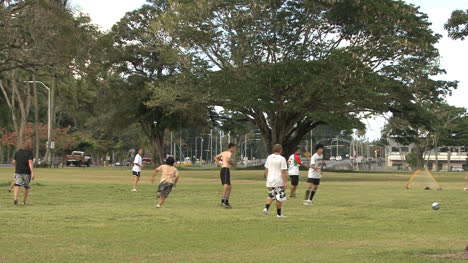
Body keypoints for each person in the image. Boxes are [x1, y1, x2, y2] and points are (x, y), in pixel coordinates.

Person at [263, 144, 288, 218]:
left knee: (271, 195)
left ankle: (266, 208)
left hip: (270, 180)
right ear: (280, 150)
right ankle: (279, 214)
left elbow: (266, 169)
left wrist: (268, 177)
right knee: (279, 197)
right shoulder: (282, 158)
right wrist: (285, 182)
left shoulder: (269, 157)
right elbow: (283, 171)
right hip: (278, 180)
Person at [214, 143, 237, 208]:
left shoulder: (224, 152)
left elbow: (215, 158)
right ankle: (223, 201)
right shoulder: (229, 153)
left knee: (229, 186)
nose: (235, 149)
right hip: (226, 169)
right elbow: (229, 160)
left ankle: (226, 201)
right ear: (231, 147)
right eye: (234, 148)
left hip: (223, 169)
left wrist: (220, 164)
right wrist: (233, 164)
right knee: (226, 185)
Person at [12, 140, 35, 205]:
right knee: (26, 187)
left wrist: (16, 167)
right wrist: (32, 172)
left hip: (18, 171)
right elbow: (30, 162)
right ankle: (24, 201)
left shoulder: (18, 152)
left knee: (17, 185)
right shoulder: (30, 152)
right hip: (26, 172)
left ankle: (15, 198)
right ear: (29, 145)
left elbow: (13, 161)